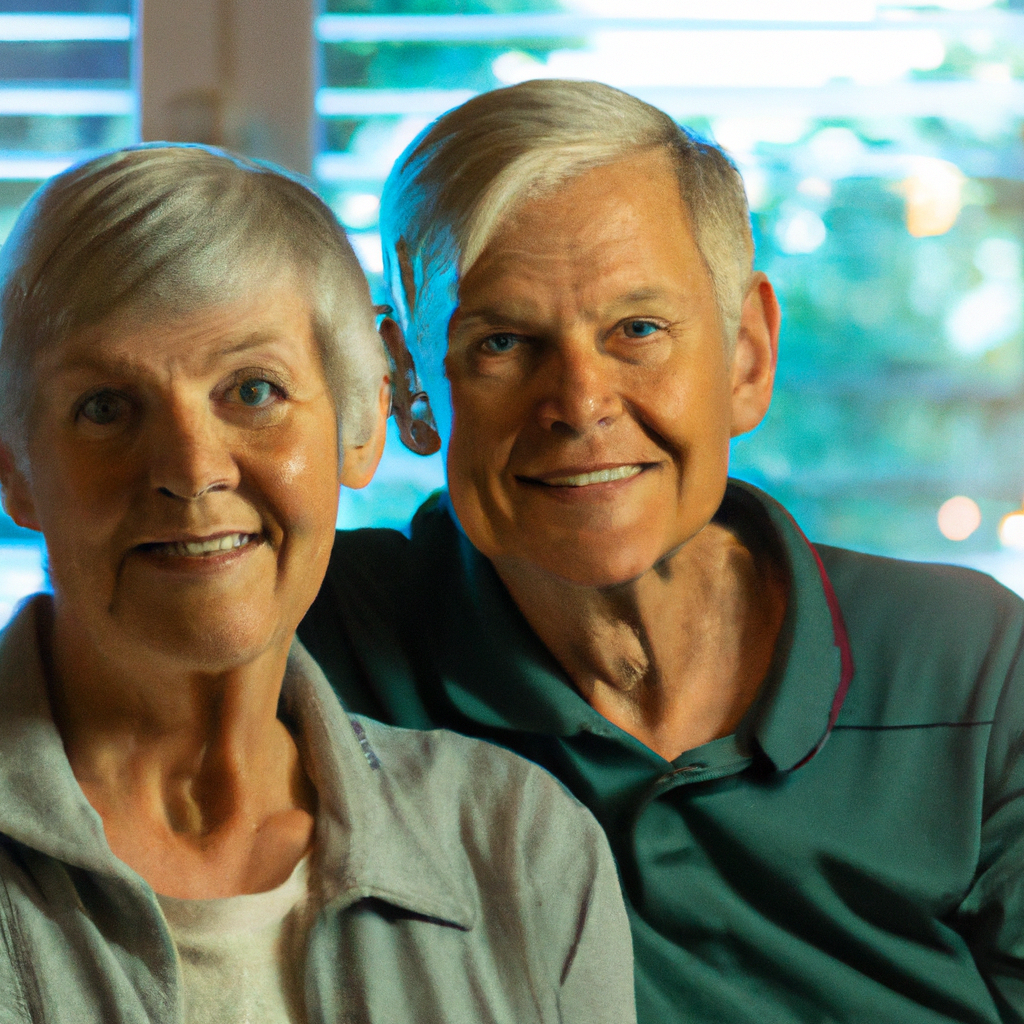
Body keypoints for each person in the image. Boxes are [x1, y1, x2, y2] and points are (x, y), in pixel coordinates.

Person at [298, 79, 1024, 1023]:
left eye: (637, 329)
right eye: (502, 342)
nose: (580, 402)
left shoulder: (972, 665)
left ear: (747, 357)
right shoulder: (312, 650)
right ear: (408, 388)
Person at [0, 143, 636, 1024]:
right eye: (105, 407)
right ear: (15, 466)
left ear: (362, 422)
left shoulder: (523, 848)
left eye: (253, 390)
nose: (190, 471)